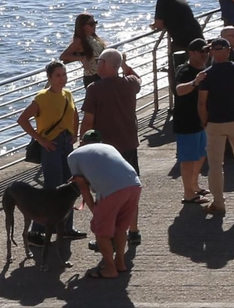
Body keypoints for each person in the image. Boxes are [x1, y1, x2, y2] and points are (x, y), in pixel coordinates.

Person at [15, 61, 80, 243]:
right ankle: (36, 231)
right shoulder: (42, 98)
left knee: (70, 186)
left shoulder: (68, 94)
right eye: (58, 75)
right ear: (49, 78)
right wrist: (41, 139)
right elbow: (22, 119)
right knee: (51, 188)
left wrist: (75, 134)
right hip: (51, 146)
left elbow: (74, 115)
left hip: (66, 144)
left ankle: (66, 227)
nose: (62, 78)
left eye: (64, 74)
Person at [197, 37, 234, 215]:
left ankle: (218, 202)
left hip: (215, 123)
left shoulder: (207, 74)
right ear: (229, 50)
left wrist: (204, 121)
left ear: (212, 52)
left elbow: (202, 103)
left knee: (215, 164)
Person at [68, 133, 140, 280]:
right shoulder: (109, 147)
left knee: (101, 232)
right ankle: (120, 263)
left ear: (82, 143)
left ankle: (110, 269)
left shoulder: (73, 156)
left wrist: (94, 210)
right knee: (121, 227)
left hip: (112, 190)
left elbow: (83, 187)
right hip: (134, 184)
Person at [167, 39, 211, 204]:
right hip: (186, 121)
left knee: (200, 154)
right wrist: (194, 82)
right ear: (191, 53)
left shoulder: (205, 68)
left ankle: (194, 186)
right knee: (188, 158)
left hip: (201, 120)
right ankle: (188, 193)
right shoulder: (185, 70)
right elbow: (178, 90)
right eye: (202, 51)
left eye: (207, 51)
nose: (205, 54)